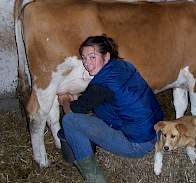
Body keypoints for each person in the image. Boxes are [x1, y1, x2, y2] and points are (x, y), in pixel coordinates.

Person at [58, 34, 164, 183]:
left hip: (138, 144)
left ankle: (95, 180)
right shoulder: (123, 66)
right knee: (90, 118)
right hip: (158, 132)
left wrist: (64, 101)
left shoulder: (101, 85)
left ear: (106, 57)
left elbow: (73, 111)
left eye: (92, 57)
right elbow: (105, 100)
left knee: (70, 121)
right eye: (84, 58)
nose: (87, 63)